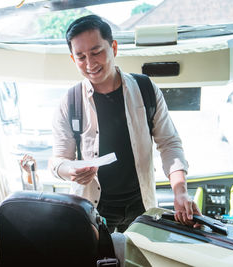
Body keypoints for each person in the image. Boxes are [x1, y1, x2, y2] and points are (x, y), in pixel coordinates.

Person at [50, 15, 200, 232]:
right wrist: (70, 170)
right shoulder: (70, 102)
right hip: (93, 208)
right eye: (81, 57)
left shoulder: (145, 89)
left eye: (96, 52)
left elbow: (169, 143)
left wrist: (180, 191)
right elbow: (58, 159)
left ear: (114, 48)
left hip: (141, 205)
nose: (90, 63)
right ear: (73, 59)